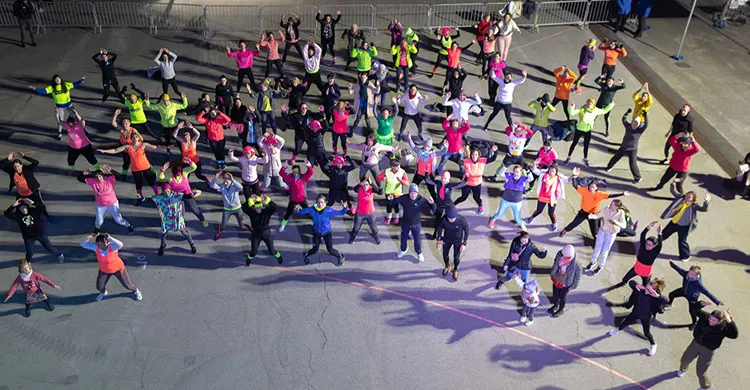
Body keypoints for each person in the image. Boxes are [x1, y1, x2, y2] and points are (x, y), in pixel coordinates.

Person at [560, 167, 629, 239]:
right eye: (590, 186)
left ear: (596, 188)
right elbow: (575, 185)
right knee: (574, 223)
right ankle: (565, 230)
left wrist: (622, 193)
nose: (591, 187)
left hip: (593, 214)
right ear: (588, 186)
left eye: (593, 186)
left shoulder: (600, 194)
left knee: (594, 231)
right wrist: (574, 176)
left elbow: (611, 196)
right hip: (583, 212)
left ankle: (596, 239)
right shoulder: (585, 191)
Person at [676, 309, 738, 389]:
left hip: (708, 350)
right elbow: (694, 309)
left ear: (720, 321)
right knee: (684, 359)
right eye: (710, 318)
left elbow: (734, 335)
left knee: (701, 371)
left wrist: (729, 321)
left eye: (714, 320)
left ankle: (706, 386)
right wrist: (700, 304)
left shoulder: (723, 328)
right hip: (695, 344)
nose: (711, 321)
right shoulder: (705, 317)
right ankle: (682, 369)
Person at [608, 278, 669, 357]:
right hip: (635, 313)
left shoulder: (656, 299)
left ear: (654, 292)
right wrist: (637, 285)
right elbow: (631, 283)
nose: (647, 291)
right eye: (646, 288)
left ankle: (653, 344)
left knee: (646, 332)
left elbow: (666, 301)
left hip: (646, 317)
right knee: (625, 322)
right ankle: (617, 330)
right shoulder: (640, 291)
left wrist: (657, 296)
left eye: (649, 291)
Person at [97, 132, 161, 206]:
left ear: (139, 138)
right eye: (133, 137)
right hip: (135, 169)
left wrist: (167, 147)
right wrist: (104, 151)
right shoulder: (128, 147)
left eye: (136, 137)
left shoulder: (143, 145)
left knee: (152, 182)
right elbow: (115, 150)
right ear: (131, 139)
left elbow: (156, 147)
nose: (135, 139)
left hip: (146, 167)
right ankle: (139, 199)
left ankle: (158, 197)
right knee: (138, 185)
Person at [80, 233, 142, 302]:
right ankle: (103, 292)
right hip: (104, 270)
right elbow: (83, 244)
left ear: (107, 242)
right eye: (98, 244)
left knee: (128, 286)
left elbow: (120, 244)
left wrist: (109, 237)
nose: (100, 246)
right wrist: (89, 237)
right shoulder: (96, 247)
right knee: (99, 287)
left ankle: (136, 290)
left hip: (118, 269)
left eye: (102, 244)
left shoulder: (113, 247)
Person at [660, 181, 710, 261]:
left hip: (684, 226)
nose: (687, 198)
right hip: (675, 222)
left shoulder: (694, 206)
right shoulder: (680, 199)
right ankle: (655, 244)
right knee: (664, 234)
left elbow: (703, 209)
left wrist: (706, 202)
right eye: (686, 196)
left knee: (682, 242)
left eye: (689, 197)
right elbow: (673, 191)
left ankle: (685, 256)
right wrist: (673, 183)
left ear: (693, 199)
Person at [78, 165, 134, 234]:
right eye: (97, 177)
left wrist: (111, 170)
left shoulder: (109, 180)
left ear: (103, 176)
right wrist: (83, 174)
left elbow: (119, 176)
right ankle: (97, 229)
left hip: (112, 204)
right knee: (99, 221)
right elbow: (79, 179)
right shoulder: (93, 182)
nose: (99, 178)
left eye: (100, 176)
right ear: (94, 178)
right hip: (100, 206)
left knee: (118, 220)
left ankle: (128, 225)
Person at [668, 261, 723, 330]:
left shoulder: (698, 284)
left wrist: (717, 301)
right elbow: (678, 269)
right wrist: (671, 263)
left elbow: (706, 292)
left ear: (696, 275)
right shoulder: (686, 274)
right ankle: (669, 304)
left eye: (691, 274)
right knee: (671, 294)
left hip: (692, 297)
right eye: (689, 272)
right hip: (684, 290)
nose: (689, 275)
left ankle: (694, 322)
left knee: (692, 311)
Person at [29, 74, 86, 140]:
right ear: (54, 81)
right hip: (60, 107)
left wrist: (81, 80)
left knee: (76, 117)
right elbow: (43, 91)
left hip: (69, 105)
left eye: (58, 78)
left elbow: (74, 84)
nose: (58, 80)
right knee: (60, 121)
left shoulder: (66, 84)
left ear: (60, 79)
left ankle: (82, 130)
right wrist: (35, 89)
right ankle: (59, 133)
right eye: (56, 79)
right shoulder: (52, 88)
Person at [5, 198, 63, 263]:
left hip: (40, 234)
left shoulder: (33, 212)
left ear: (27, 207)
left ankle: (59, 255)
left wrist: (32, 202)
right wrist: (13, 205)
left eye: (25, 207)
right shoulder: (18, 216)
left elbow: (41, 207)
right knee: (30, 252)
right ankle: (27, 263)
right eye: (21, 208)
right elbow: (7, 214)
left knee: (49, 248)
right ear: (19, 209)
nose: (24, 209)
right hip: (29, 237)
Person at [297, 194, 348, 265]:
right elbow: (302, 211)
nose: (320, 204)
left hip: (327, 232)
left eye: (322, 202)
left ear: (325, 203)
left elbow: (341, 212)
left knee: (330, 249)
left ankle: (341, 256)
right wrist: (297, 210)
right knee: (315, 249)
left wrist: (345, 208)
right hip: (316, 232)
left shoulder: (328, 210)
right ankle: (307, 255)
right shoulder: (312, 209)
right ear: (316, 202)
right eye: (318, 202)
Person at [156, 159, 208, 227]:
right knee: (181, 212)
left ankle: (203, 220)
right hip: (178, 197)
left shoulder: (185, 173)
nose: (178, 174)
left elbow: (194, 167)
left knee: (195, 210)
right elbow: (160, 177)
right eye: (177, 172)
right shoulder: (170, 177)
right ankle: (182, 223)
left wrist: (190, 162)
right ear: (173, 172)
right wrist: (162, 169)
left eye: (179, 172)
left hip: (188, 195)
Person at [564, 98, 614, 166]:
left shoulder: (595, 110)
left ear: (593, 104)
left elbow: (604, 111)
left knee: (586, 145)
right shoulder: (582, 109)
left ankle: (585, 159)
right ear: (587, 103)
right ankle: (568, 157)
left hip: (588, 130)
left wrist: (611, 104)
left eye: (591, 104)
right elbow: (572, 113)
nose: (589, 105)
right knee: (574, 143)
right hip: (580, 129)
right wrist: (571, 107)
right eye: (588, 103)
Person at [614, 221, 662, 287]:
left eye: (650, 245)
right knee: (626, 277)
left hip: (646, 272)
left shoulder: (655, 252)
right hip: (637, 268)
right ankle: (623, 282)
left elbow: (660, 245)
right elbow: (643, 234)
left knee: (645, 286)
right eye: (647, 243)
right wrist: (649, 226)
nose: (647, 246)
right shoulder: (643, 245)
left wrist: (659, 234)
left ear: (654, 246)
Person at [395, 183, 435, 263]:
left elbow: (433, 210)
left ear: (417, 193)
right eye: (411, 193)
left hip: (416, 224)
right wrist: (390, 199)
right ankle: (403, 250)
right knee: (403, 237)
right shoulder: (404, 198)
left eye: (415, 193)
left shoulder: (422, 200)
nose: (413, 195)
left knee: (417, 239)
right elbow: (393, 202)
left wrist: (432, 204)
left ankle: (419, 253)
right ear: (409, 193)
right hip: (405, 223)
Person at [606, 109, 648, 183]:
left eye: (636, 124)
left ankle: (638, 178)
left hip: (632, 149)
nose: (634, 125)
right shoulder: (628, 126)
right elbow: (623, 119)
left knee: (632, 164)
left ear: (638, 125)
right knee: (616, 157)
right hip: (623, 147)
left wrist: (645, 116)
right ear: (632, 122)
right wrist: (627, 113)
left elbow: (646, 125)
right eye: (633, 122)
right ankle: (609, 167)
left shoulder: (639, 131)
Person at [586, 199, 627, 274]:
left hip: (611, 234)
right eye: (611, 203)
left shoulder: (621, 213)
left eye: (612, 204)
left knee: (605, 250)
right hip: (602, 231)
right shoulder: (606, 208)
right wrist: (592, 216)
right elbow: (598, 215)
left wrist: (616, 222)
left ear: (616, 207)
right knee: (597, 246)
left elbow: (624, 225)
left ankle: (600, 266)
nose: (610, 205)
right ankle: (592, 262)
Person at [152, 187, 196, 256]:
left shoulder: (177, 196)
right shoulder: (160, 198)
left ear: (170, 190)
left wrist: (192, 194)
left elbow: (187, 196)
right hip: (167, 220)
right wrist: (142, 198)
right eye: (165, 191)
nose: (167, 193)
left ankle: (192, 245)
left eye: (168, 191)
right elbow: (149, 200)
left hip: (177, 219)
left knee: (185, 232)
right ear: (163, 191)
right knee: (164, 234)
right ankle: (162, 246)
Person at [455, 144, 498, 214]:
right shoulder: (467, 161)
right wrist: (459, 154)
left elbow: (493, 158)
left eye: (476, 155)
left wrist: (495, 151)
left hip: (477, 184)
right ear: (470, 155)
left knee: (476, 197)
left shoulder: (482, 161)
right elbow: (459, 162)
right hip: (467, 183)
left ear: (478, 155)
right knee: (463, 197)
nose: (474, 156)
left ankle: (480, 206)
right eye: (472, 155)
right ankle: (453, 205)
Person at [1, 152, 48, 216]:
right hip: (21, 194)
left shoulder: (27, 169)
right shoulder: (12, 172)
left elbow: (36, 162)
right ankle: (22, 221)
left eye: (18, 166)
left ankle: (47, 216)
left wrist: (24, 157)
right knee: (18, 208)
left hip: (33, 193)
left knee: (41, 206)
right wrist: (7, 159)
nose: (17, 168)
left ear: (21, 165)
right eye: (15, 167)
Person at [55, 109, 100, 174]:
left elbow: (82, 121)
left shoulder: (79, 125)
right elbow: (58, 121)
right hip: (73, 148)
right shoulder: (67, 126)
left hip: (85, 146)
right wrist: (56, 113)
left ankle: (98, 168)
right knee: (70, 160)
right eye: (68, 123)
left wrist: (76, 114)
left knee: (91, 159)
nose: (69, 124)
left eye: (71, 123)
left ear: (74, 122)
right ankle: (72, 169)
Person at [242, 194, 283, 265]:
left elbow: (275, 207)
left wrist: (267, 199)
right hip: (256, 235)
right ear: (254, 208)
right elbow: (243, 207)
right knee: (254, 252)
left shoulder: (266, 212)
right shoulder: (252, 213)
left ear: (262, 207)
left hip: (266, 234)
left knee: (272, 251)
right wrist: (250, 200)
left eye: (259, 208)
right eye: (256, 208)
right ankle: (249, 259)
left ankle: (279, 256)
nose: (258, 209)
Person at [525, 163, 568, 231]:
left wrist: (574, 175)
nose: (551, 172)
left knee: (550, 213)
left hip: (552, 198)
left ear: (556, 172)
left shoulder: (558, 177)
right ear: (548, 170)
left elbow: (567, 180)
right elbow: (535, 171)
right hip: (542, 196)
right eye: (550, 170)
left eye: (553, 171)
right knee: (539, 211)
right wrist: (534, 165)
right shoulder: (543, 174)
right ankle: (532, 217)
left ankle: (554, 223)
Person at [488, 165, 531, 230]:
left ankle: (522, 225)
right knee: (499, 214)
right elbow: (501, 173)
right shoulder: (509, 176)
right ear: (513, 172)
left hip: (517, 203)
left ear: (521, 172)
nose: (516, 173)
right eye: (515, 172)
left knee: (517, 218)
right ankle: (492, 220)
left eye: (518, 172)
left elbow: (531, 178)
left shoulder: (524, 179)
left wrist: (528, 171)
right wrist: (505, 166)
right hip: (505, 201)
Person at [406, 132, 445, 199]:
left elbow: (442, 152)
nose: (427, 148)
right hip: (419, 174)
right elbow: (413, 146)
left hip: (428, 175)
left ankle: (436, 202)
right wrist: (409, 138)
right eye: (426, 146)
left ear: (431, 147)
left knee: (432, 190)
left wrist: (446, 147)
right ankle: (409, 199)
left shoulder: (433, 153)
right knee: (413, 187)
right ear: (423, 146)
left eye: (428, 147)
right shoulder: (420, 151)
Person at [279, 161, 314, 232]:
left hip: (302, 199)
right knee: (288, 213)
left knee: (308, 212)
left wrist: (308, 165)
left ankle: (316, 222)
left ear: (299, 171)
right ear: (292, 171)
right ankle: (282, 225)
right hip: (293, 200)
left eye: (297, 171)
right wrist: (284, 166)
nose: (295, 172)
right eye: (294, 171)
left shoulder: (304, 177)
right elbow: (281, 173)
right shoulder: (289, 177)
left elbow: (311, 172)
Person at [210, 171, 245, 240]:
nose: (225, 181)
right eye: (224, 179)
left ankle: (252, 231)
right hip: (227, 210)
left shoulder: (234, 185)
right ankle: (219, 233)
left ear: (230, 179)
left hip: (237, 208)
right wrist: (215, 178)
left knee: (242, 225)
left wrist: (233, 180)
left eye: (227, 179)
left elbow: (241, 188)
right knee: (223, 225)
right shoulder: (222, 187)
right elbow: (212, 186)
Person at [436, 206, 469, 281]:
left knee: (456, 258)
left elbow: (466, 231)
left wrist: (464, 244)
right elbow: (440, 228)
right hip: (447, 239)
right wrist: (439, 240)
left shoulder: (462, 220)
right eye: (449, 218)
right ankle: (447, 266)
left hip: (458, 241)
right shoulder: (444, 219)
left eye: (452, 218)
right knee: (445, 254)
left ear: (456, 216)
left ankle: (455, 269)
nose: (450, 220)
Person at [548, 245, 581, 318]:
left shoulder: (577, 264)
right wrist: (552, 274)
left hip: (566, 283)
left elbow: (577, 276)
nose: (563, 257)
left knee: (562, 297)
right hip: (557, 279)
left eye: (566, 257)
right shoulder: (560, 255)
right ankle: (555, 306)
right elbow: (555, 264)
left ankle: (561, 309)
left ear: (570, 256)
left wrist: (574, 285)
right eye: (563, 255)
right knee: (555, 295)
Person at [377, 159, 410, 225]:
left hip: (398, 193)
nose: (398, 168)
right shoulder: (387, 171)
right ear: (392, 167)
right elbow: (378, 178)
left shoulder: (402, 172)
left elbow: (407, 183)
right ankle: (389, 217)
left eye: (398, 166)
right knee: (389, 206)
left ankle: (396, 217)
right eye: (396, 167)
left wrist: (401, 180)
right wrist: (382, 178)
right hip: (388, 192)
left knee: (396, 206)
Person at [349, 177, 381, 244]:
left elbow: (380, 192)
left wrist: (371, 183)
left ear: (369, 185)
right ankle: (352, 237)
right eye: (363, 184)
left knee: (374, 229)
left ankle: (375, 236)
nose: (365, 186)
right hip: (360, 213)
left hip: (370, 213)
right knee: (355, 228)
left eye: (367, 184)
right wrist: (360, 183)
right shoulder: (359, 189)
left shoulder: (371, 189)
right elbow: (355, 189)